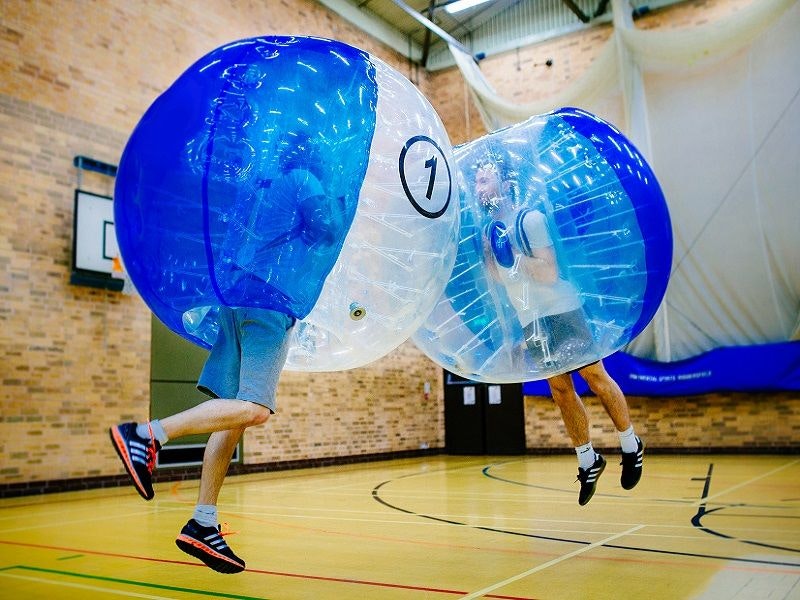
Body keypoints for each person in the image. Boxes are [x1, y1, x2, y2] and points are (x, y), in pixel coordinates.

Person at [110, 134, 342, 574]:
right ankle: (147, 435)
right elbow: (326, 229)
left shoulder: (263, 186)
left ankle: (203, 521)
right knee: (254, 409)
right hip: (267, 300)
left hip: (235, 298)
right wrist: (340, 202)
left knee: (233, 417)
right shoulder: (305, 179)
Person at [475, 154, 644, 506]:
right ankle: (588, 459)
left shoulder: (530, 220)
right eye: (476, 181)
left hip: (561, 310)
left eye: (484, 180)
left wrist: (514, 255)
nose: (479, 188)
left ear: (505, 184)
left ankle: (631, 444)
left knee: (595, 378)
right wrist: (491, 254)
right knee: (560, 390)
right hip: (531, 320)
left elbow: (549, 273)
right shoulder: (491, 233)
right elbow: (499, 280)